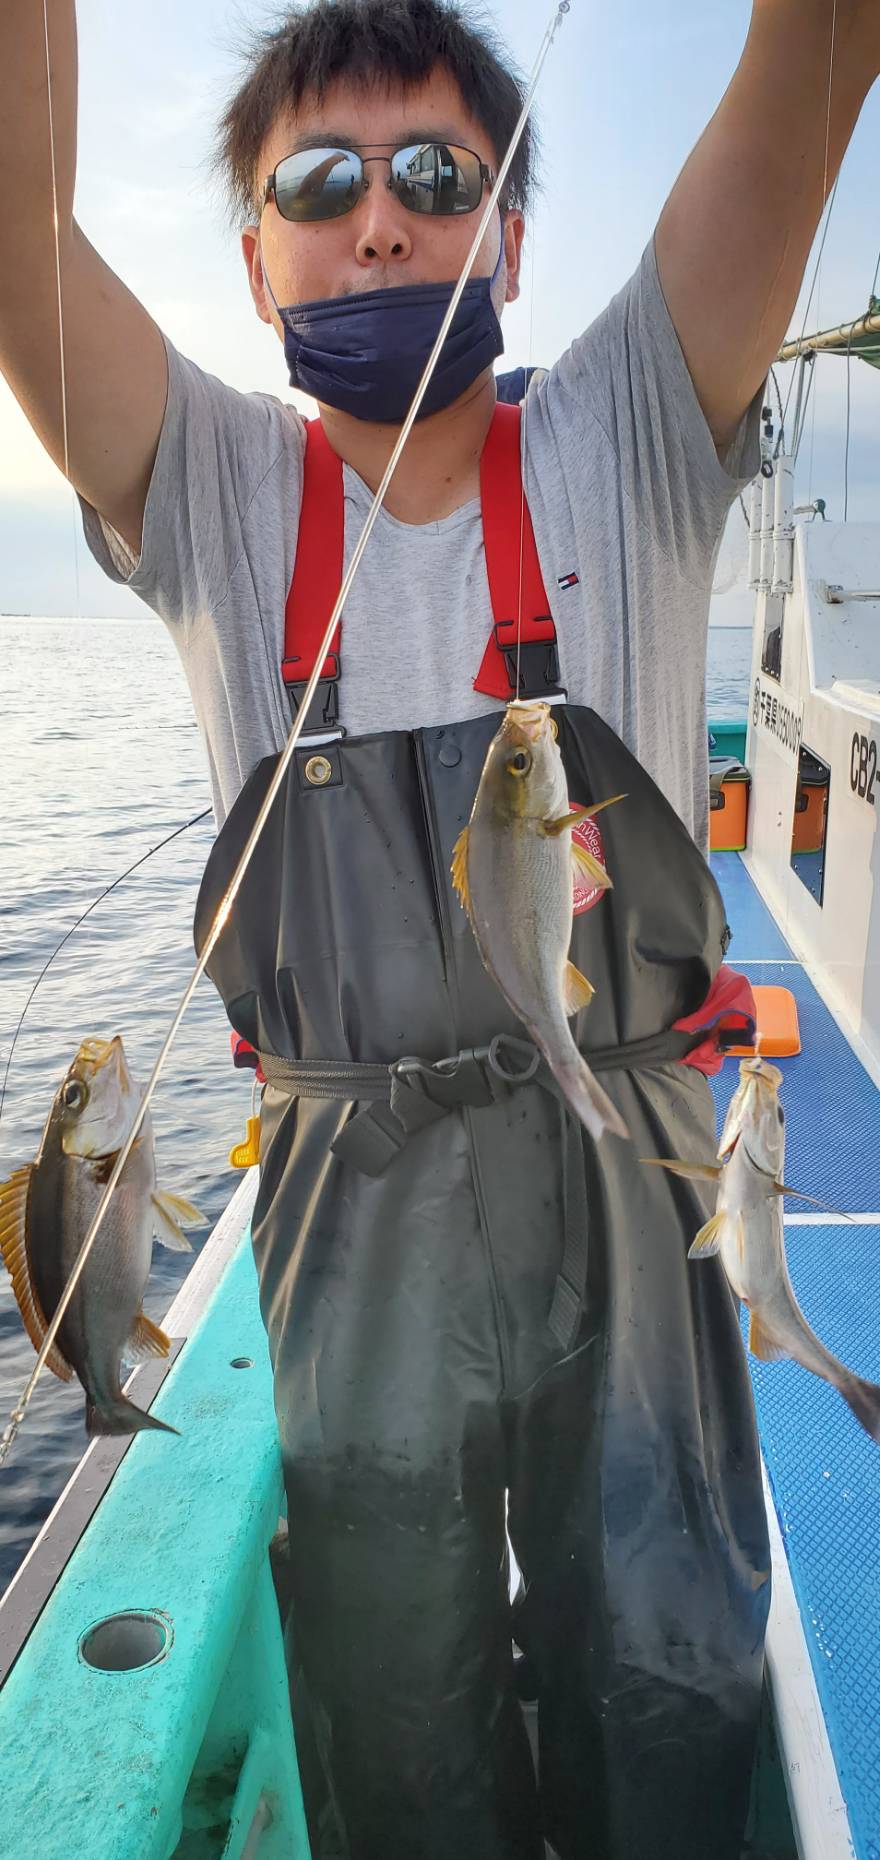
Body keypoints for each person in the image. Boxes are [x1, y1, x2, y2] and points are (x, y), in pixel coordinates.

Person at [3, 3, 879, 1855]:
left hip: (632, 1164)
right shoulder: (209, 484)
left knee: (665, 1650)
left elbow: (816, 58)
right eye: (318, 183)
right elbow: (15, 209)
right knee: (389, 1686)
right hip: (354, 1198)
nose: (381, 217)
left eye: (434, 173)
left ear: (513, 234)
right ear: (253, 259)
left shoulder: (639, 415)